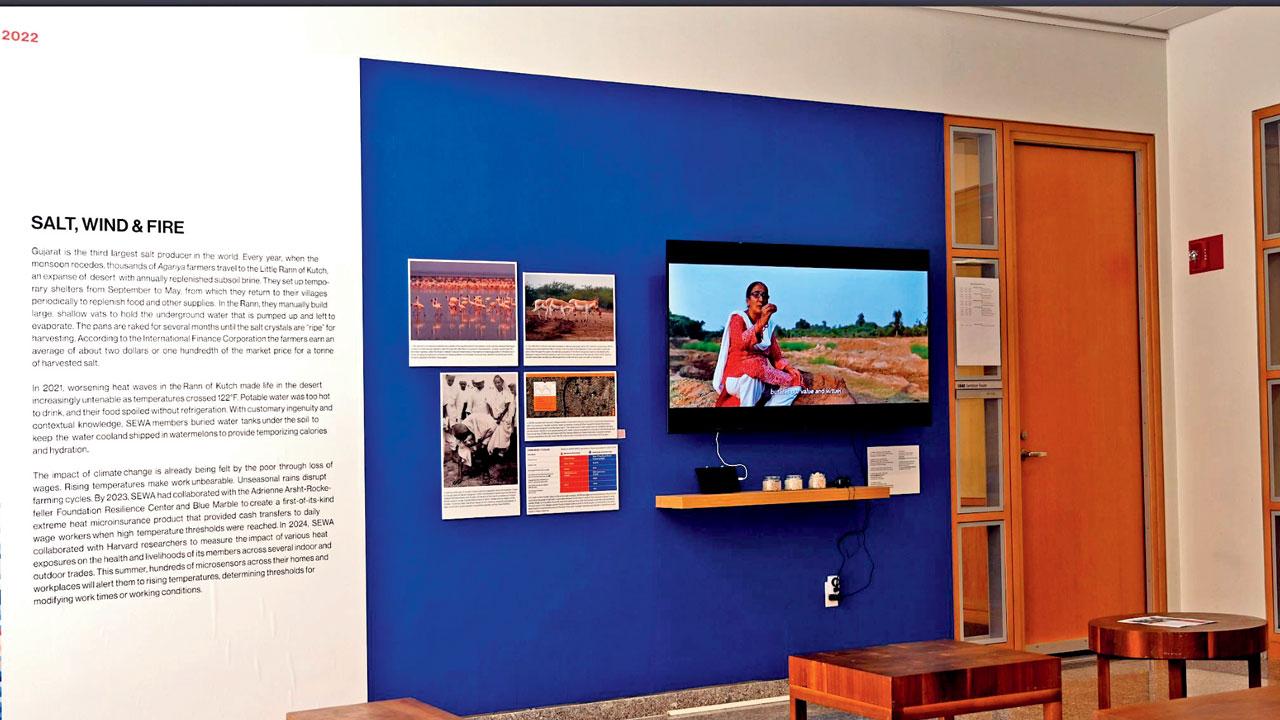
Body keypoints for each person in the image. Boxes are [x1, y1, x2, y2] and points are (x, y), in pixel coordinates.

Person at [711, 281, 804, 407]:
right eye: (756, 295)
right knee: (752, 374)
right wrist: (760, 323)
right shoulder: (738, 318)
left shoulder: (769, 326)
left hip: (762, 376)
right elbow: (740, 344)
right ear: (748, 301)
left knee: (796, 383)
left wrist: (788, 368)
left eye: (765, 296)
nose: (761, 299)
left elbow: (776, 356)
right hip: (739, 378)